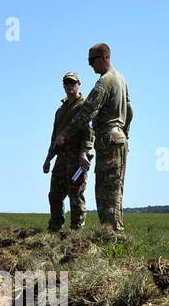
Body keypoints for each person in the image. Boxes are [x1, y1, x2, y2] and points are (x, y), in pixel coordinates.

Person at [55, 43, 132, 231]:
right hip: (118, 137)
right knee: (114, 190)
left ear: (105, 57)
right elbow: (129, 111)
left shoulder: (105, 81)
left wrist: (65, 134)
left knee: (107, 195)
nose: (90, 65)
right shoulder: (121, 79)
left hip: (108, 139)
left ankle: (113, 238)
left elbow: (87, 112)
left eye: (92, 60)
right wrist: (125, 134)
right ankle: (114, 237)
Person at [42, 71, 92, 231]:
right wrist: (48, 158)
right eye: (67, 83)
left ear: (79, 85)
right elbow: (55, 136)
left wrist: (83, 153)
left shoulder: (84, 107)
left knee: (76, 195)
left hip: (77, 158)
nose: (70, 85)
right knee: (54, 194)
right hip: (61, 158)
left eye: (73, 82)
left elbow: (89, 132)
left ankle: (77, 230)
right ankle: (55, 227)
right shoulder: (60, 110)